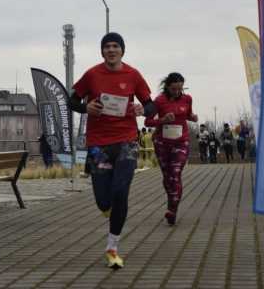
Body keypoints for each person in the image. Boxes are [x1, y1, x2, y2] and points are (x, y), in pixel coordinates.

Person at [68, 32, 156, 269]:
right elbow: (71, 101)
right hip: (98, 144)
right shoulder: (92, 74)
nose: (111, 50)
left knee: (120, 192)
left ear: (122, 50)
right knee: (103, 200)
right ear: (102, 51)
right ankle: (108, 211)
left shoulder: (133, 74)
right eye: (107, 46)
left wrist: (142, 109)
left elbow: (151, 105)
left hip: (127, 141)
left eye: (115, 46)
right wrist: (86, 107)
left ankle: (112, 246)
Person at [144, 72, 198, 226]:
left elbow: (187, 114)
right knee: (168, 177)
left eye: (180, 89)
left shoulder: (187, 99)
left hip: (181, 142)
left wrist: (192, 117)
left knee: (175, 173)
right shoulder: (159, 101)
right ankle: (171, 203)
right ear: (167, 86)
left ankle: (172, 209)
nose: (177, 92)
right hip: (162, 143)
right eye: (174, 89)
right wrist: (162, 120)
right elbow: (148, 122)